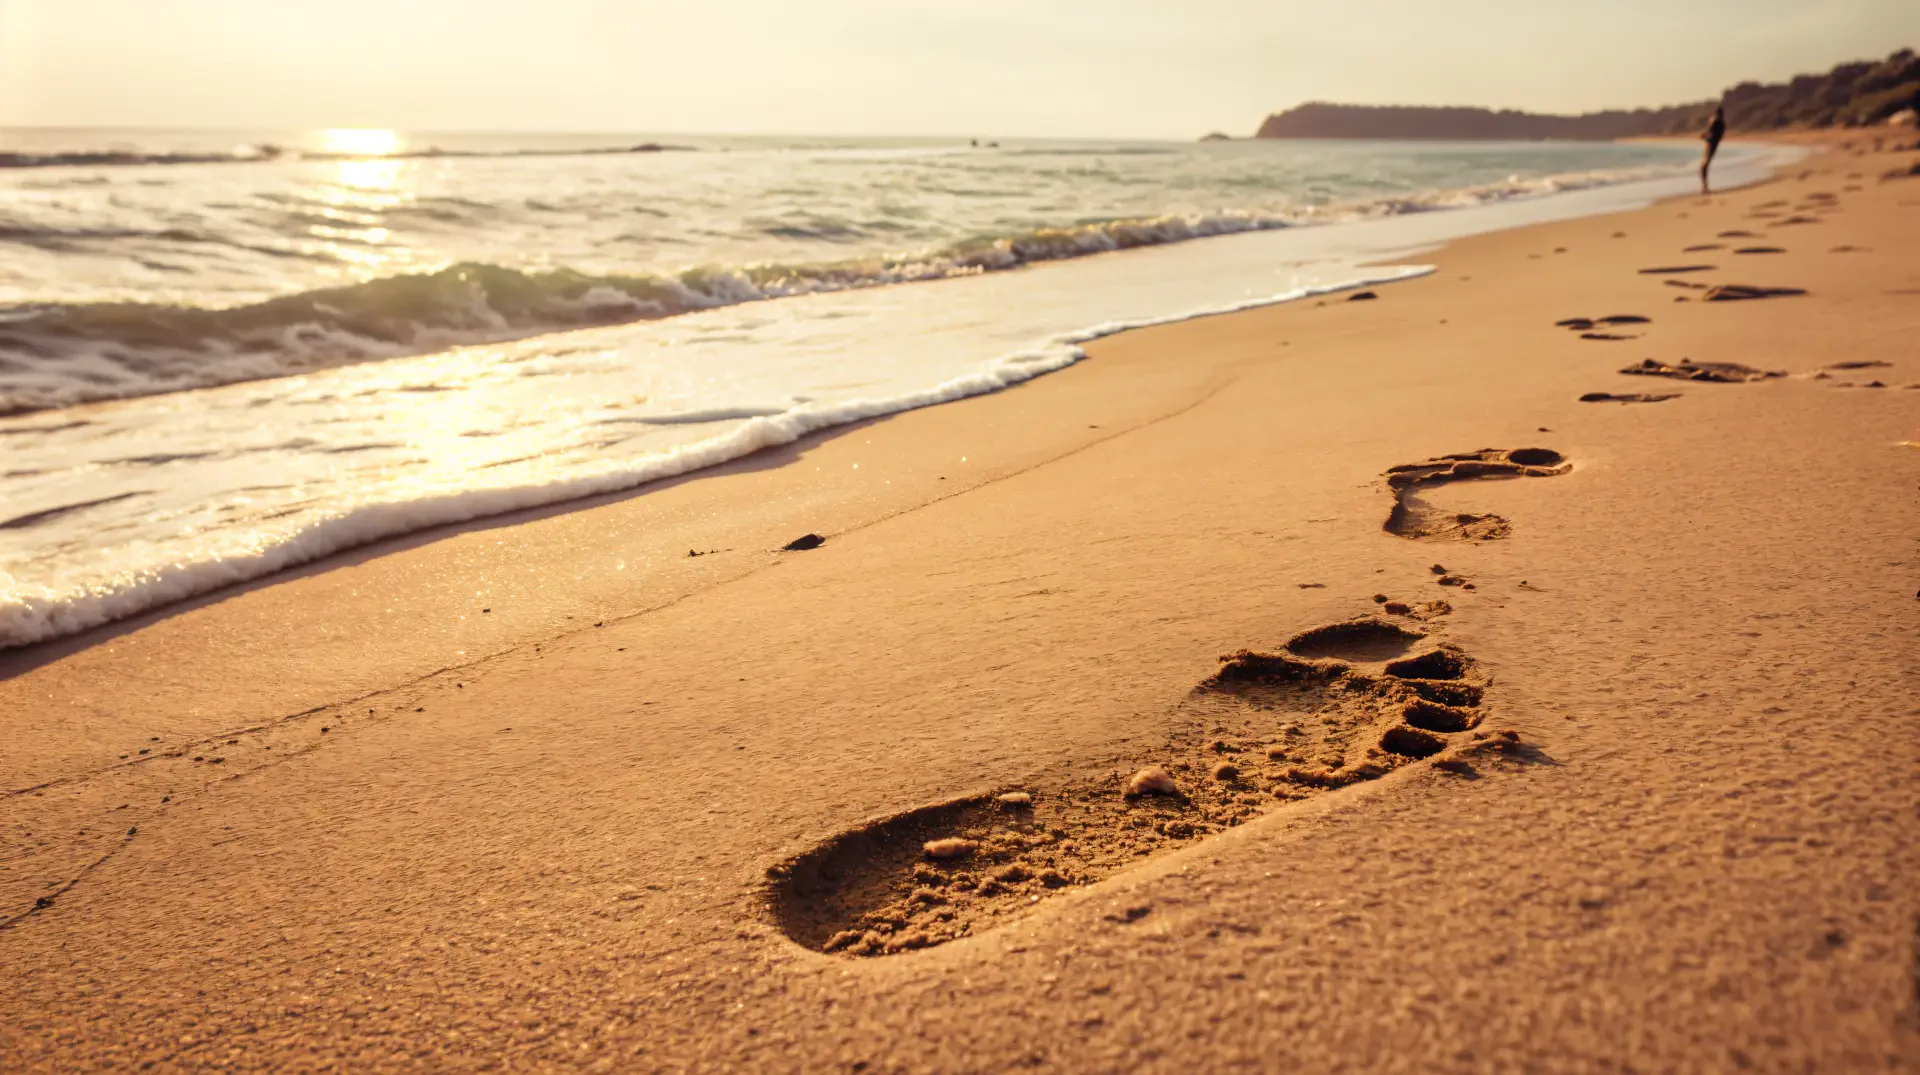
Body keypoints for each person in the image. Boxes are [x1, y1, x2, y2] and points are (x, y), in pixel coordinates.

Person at [1700, 105, 1727, 194]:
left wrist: (1704, 137)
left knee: (1704, 167)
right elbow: (1718, 136)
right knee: (1705, 166)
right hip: (1714, 145)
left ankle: (1705, 188)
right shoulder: (1722, 123)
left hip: (1711, 145)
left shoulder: (1716, 122)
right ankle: (1705, 187)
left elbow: (1711, 135)